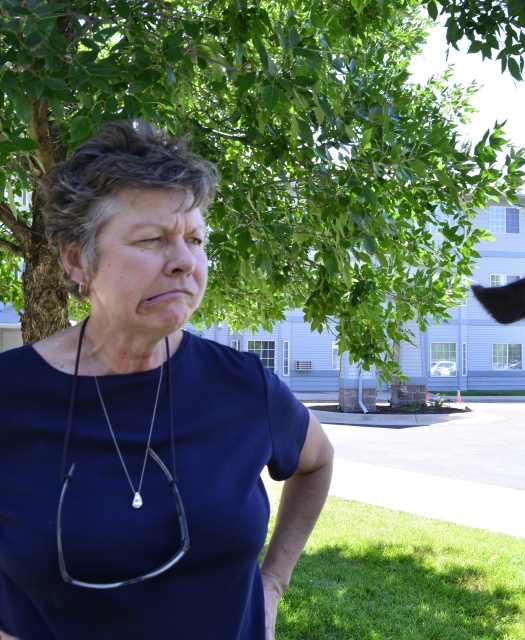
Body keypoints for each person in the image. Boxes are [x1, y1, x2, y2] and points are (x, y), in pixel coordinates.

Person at [0, 121, 333, 640]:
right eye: (152, 239)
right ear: (76, 258)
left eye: (195, 239)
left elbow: (317, 462)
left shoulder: (245, 388)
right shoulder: (10, 395)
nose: (184, 262)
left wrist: (272, 584)